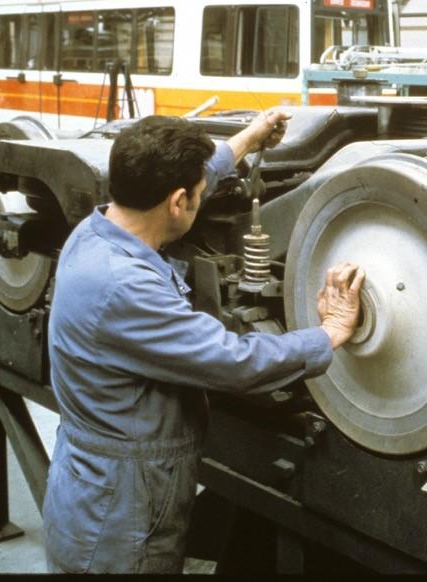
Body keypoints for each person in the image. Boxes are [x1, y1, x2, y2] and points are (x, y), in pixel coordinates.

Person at [42, 111, 365, 574]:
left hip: (94, 484)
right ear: (177, 202)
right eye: (196, 194)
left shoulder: (98, 229)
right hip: (118, 515)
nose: (202, 195)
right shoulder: (124, 285)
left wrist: (249, 139)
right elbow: (235, 361)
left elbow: (198, 177)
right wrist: (328, 332)